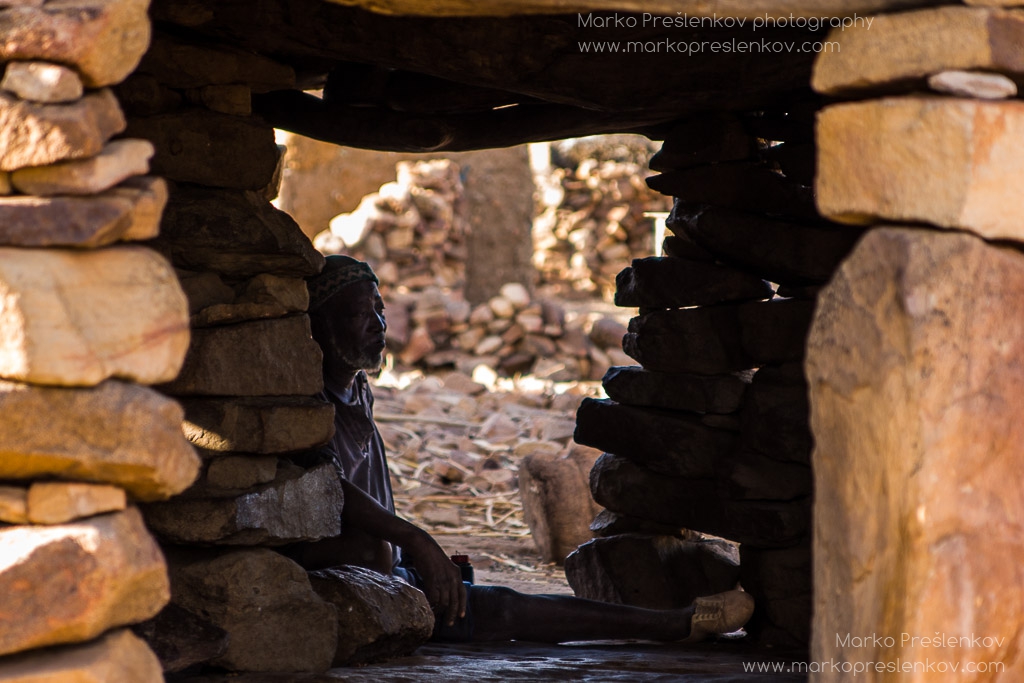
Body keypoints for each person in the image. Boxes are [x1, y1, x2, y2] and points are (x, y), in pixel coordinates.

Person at [287, 255, 754, 644]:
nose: (378, 324)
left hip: (393, 575)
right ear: (321, 328)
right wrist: (413, 540)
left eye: (381, 308)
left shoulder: (358, 389)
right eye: (359, 313)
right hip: (351, 584)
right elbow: (332, 488)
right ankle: (679, 625)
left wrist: (415, 556)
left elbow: (372, 494)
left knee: (489, 601)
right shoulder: (304, 405)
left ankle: (675, 623)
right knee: (502, 610)